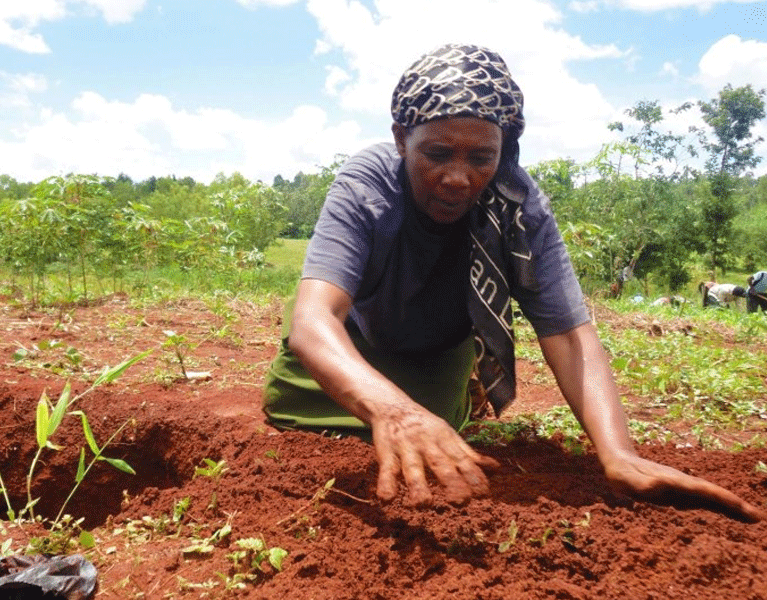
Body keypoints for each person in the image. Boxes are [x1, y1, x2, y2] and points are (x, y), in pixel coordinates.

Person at [262, 43, 763, 520]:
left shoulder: (520, 207)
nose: (458, 178)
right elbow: (314, 320)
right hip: (348, 340)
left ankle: (457, 389)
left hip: (436, 350)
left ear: (504, 149)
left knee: (440, 428)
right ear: (400, 139)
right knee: (293, 412)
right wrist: (393, 410)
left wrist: (619, 454)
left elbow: (568, 333)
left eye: (482, 158)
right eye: (437, 153)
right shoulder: (366, 184)